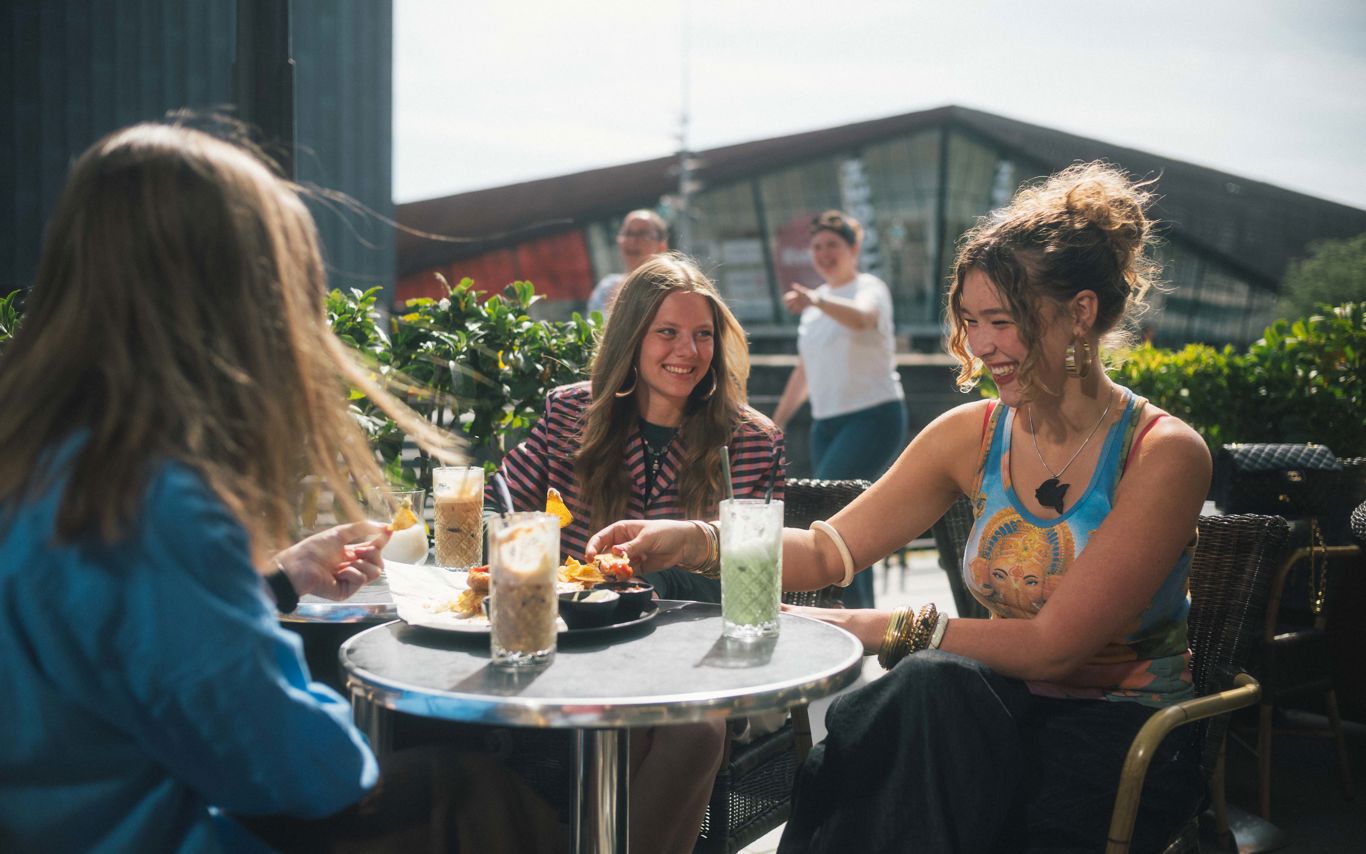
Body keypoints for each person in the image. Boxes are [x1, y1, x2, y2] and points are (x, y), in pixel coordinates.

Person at [587, 163, 1211, 852]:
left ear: (1081, 312)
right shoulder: (971, 436)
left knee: (926, 692)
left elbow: (1053, 648)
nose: (980, 345)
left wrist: (861, 626)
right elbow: (827, 552)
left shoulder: (1162, 454)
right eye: (970, 322)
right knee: (925, 700)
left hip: (1126, 746)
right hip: (986, 721)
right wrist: (697, 541)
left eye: (1001, 321)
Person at [0, 121, 567, 853]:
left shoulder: (40, 455)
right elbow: (312, 774)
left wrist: (273, 581)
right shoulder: (148, 499)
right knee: (473, 790)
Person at [492, 251, 785, 854]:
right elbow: (506, 508)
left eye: (703, 334)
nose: (689, 350)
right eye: (668, 332)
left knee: (695, 732)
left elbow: (758, 577)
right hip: (574, 648)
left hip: (694, 660)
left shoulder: (751, 439)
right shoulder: (572, 412)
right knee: (652, 730)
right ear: (633, 336)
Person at [772, 210, 906, 609]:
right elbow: (805, 372)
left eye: (833, 244)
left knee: (831, 515)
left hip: (873, 416)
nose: (824, 253)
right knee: (840, 518)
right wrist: (776, 421)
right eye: (816, 247)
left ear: (853, 248)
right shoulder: (814, 312)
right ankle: (849, 609)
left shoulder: (868, 287)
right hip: (825, 425)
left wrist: (816, 297)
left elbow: (864, 319)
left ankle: (851, 613)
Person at [586, 208, 669, 316]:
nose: (632, 241)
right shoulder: (605, 289)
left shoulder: (668, 290)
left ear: (661, 246)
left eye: (642, 234)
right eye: (627, 233)